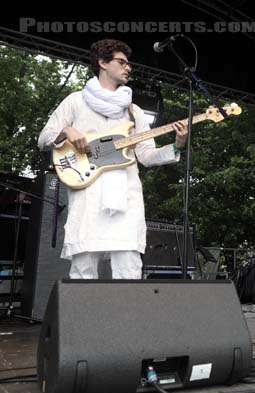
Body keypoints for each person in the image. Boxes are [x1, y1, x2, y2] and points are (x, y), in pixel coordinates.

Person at [38, 39, 188, 279]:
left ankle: (128, 316)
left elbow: (146, 156)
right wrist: (66, 132)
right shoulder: (76, 101)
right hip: (89, 192)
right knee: (83, 266)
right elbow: (44, 138)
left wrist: (177, 145)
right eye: (122, 62)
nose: (128, 67)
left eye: (129, 63)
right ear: (102, 63)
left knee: (129, 266)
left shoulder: (133, 111)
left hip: (126, 197)